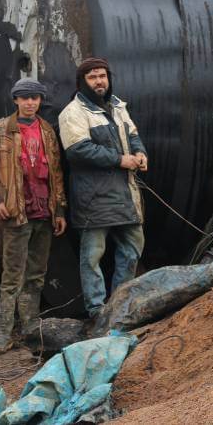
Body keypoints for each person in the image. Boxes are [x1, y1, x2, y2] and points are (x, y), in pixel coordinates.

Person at [0, 78, 67, 354]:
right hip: (16, 212)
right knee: (12, 276)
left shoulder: (48, 131)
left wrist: (59, 209)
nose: (30, 103)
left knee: (36, 275)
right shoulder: (2, 130)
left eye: (35, 98)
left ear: (40, 101)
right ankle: (3, 336)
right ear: (15, 100)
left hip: (44, 212)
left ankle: (30, 330)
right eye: (25, 98)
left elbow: (57, 174)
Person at [58, 57, 148, 318]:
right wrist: (120, 159)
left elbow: (133, 135)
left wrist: (140, 153)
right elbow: (77, 150)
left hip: (124, 193)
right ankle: (97, 310)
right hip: (94, 197)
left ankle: (120, 304)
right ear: (82, 82)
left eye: (102, 76)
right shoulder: (73, 113)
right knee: (92, 257)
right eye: (93, 77)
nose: (99, 81)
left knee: (132, 249)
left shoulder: (118, 106)